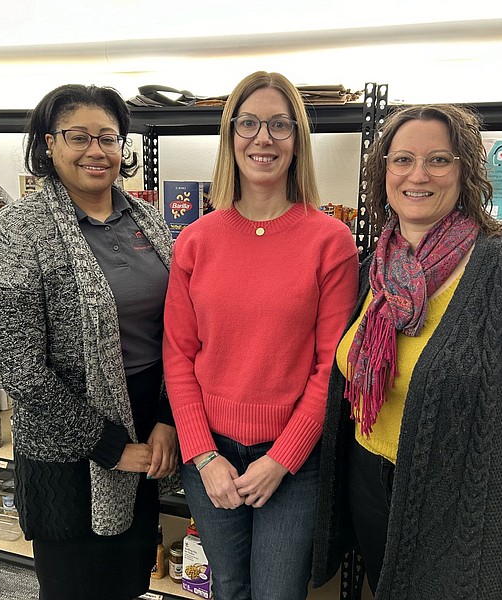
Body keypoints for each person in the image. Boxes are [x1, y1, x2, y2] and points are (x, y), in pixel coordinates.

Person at [311, 104, 502, 599]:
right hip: (368, 476)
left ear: (466, 171)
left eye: (439, 159)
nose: (418, 175)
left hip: (458, 495)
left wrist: (492, 483)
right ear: (383, 170)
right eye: (403, 159)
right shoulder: (372, 269)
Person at [162, 71, 358, 600]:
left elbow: (333, 366)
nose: (263, 138)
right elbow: (178, 358)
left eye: (279, 125)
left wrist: (283, 458)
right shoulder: (196, 240)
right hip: (211, 454)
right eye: (248, 123)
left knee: (277, 593)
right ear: (230, 137)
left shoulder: (331, 242)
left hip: (293, 459)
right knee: (227, 585)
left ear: (298, 141)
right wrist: (203, 455)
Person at [0, 84, 177, 600]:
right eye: (78, 137)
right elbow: (19, 365)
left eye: (109, 138)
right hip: (66, 441)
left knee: (129, 575)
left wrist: (165, 419)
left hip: (147, 418)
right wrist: (110, 446)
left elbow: (179, 330)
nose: (96, 150)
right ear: (49, 144)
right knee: (75, 583)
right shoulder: (17, 229)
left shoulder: (148, 220)